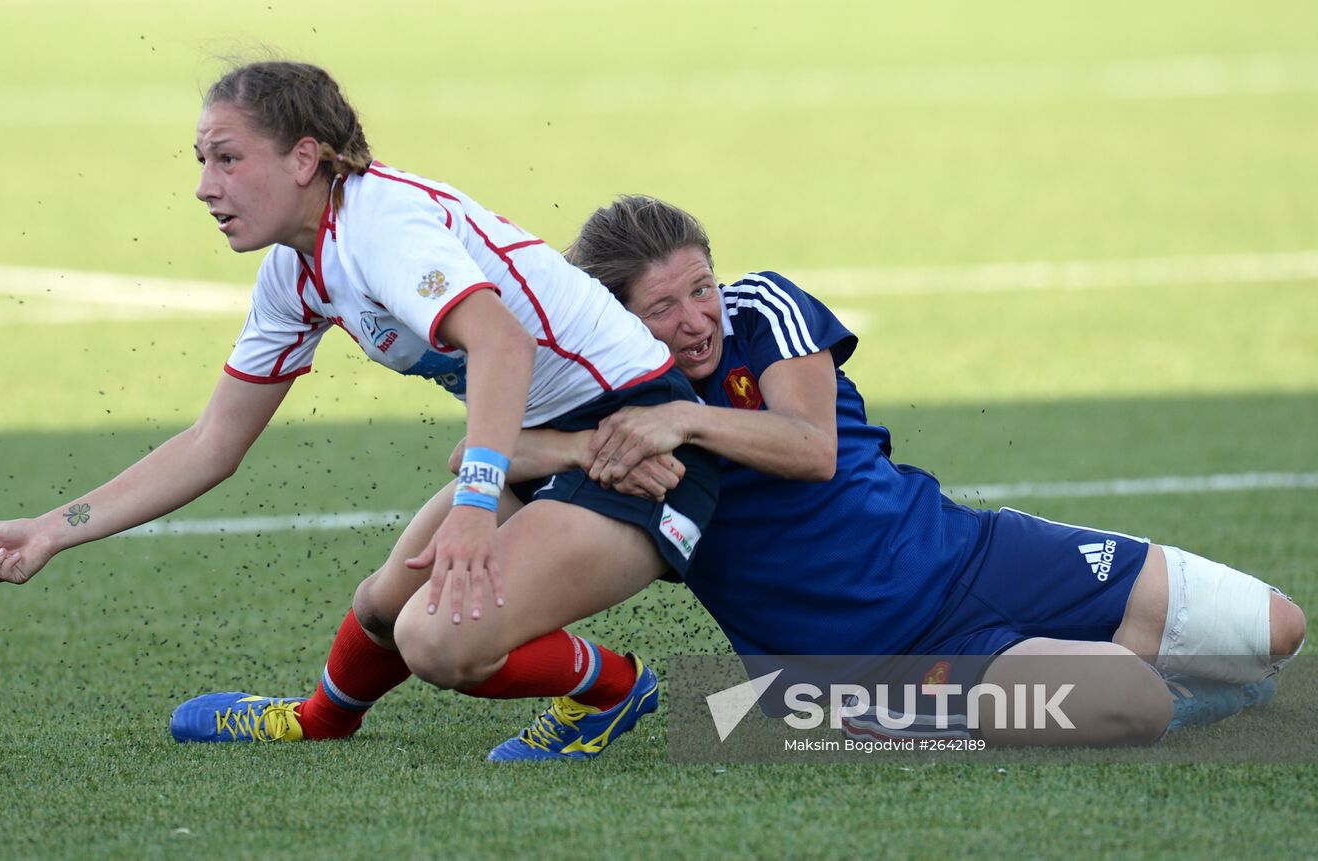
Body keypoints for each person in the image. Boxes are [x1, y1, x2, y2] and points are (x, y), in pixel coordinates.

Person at [0, 62, 718, 761]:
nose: (205, 187)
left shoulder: (378, 227)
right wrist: (53, 528)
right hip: (546, 442)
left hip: (639, 443)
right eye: (201, 162)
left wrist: (476, 507)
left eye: (227, 158)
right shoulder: (295, 270)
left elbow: (503, 345)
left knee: (437, 641)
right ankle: (322, 716)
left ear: (306, 158)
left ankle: (617, 687)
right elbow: (213, 441)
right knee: (383, 606)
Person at [355, 194, 1304, 745]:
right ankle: (868, 719)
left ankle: (1210, 682)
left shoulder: (765, 311)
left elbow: (812, 450)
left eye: (700, 288)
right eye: (663, 308)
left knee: (1277, 627)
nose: (697, 319)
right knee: (1129, 703)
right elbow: (483, 452)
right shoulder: (594, 388)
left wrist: (682, 419)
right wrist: (572, 448)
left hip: (975, 553)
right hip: (865, 658)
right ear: (614, 321)